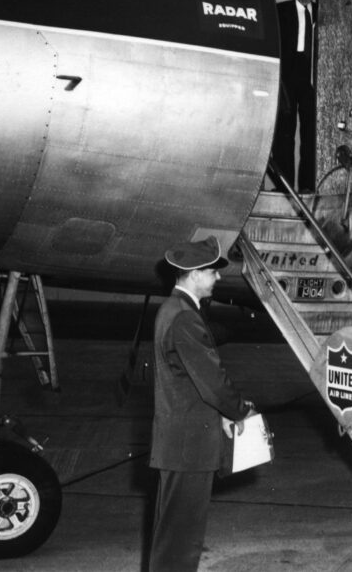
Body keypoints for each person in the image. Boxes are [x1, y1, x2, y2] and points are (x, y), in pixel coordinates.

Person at [149, 236, 256, 572]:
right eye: (213, 271)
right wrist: (241, 410)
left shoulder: (172, 310)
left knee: (173, 538)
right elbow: (212, 380)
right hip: (189, 447)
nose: (219, 278)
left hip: (180, 442)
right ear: (194, 274)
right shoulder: (184, 318)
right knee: (180, 544)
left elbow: (189, 381)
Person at [274, 0, 318, 192]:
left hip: (313, 77)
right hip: (288, 76)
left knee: (311, 136)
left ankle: (308, 186)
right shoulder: (280, 11)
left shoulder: (323, 13)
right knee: (284, 134)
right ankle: (284, 187)